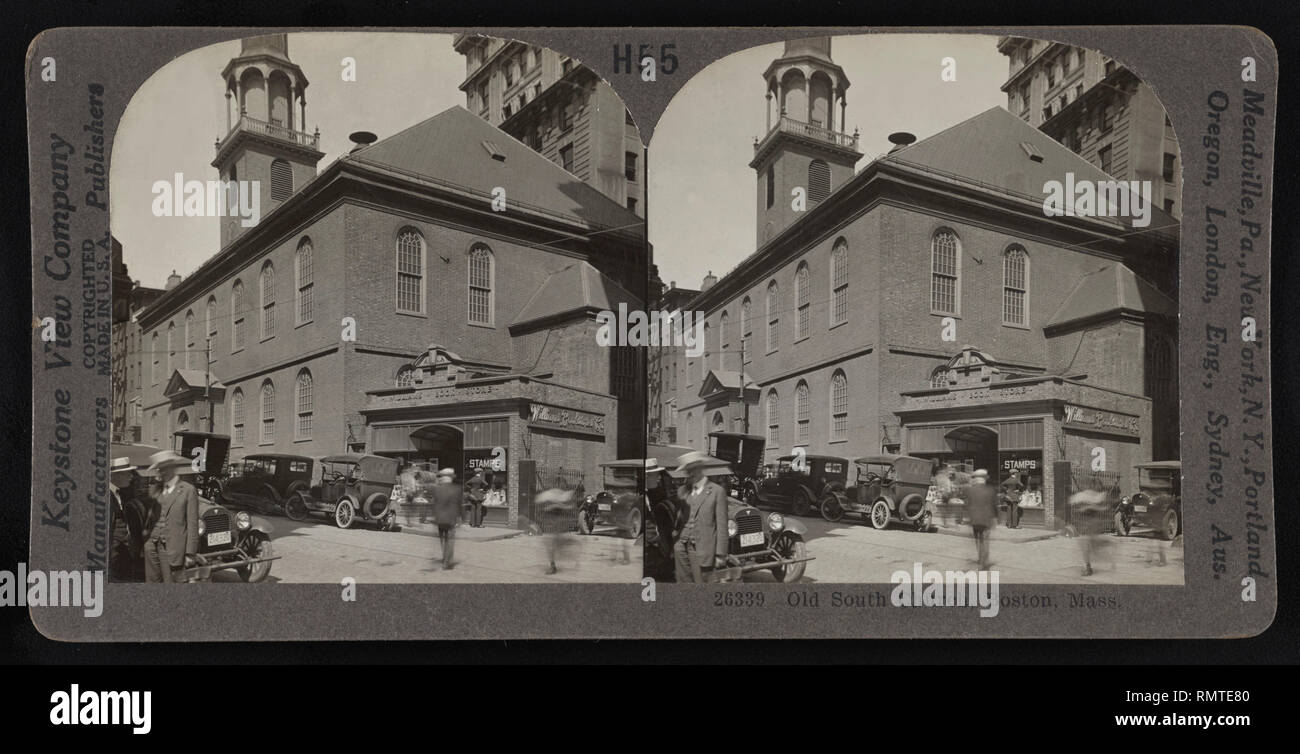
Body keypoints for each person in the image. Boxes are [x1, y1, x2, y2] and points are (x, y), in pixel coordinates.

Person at [142, 451, 200, 583]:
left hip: (172, 548)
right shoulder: (156, 490)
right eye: (159, 469)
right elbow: (150, 517)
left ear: (173, 467)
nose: (161, 472)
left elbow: (192, 524)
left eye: (164, 468)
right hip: (151, 546)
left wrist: (190, 553)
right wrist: (146, 540)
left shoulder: (188, 490)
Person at [673, 451, 729, 583]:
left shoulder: (717, 492)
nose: (689, 474)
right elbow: (679, 519)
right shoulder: (682, 491)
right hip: (680, 547)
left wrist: (721, 554)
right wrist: (675, 539)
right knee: (683, 585)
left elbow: (722, 526)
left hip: (702, 549)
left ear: (700, 468)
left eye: (691, 470)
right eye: (687, 471)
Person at [108, 457, 148, 582]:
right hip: (113, 556)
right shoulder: (106, 496)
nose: (131, 477)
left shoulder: (120, 494)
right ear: (116, 475)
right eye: (128, 473)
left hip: (123, 553)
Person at [965, 469, 998, 571]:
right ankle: (984, 562)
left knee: (978, 541)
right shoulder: (990, 489)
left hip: (975, 520)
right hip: (986, 519)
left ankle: (980, 559)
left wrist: (968, 518)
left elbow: (968, 505)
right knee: (985, 541)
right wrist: (995, 518)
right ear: (984, 479)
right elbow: (994, 505)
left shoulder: (970, 490)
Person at [429, 468, 462, 569]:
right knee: (450, 540)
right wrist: (461, 518)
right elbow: (459, 505)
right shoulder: (457, 489)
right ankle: (447, 561)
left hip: (440, 519)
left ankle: (445, 558)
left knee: (443, 540)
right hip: (451, 519)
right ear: (451, 478)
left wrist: (434, 517)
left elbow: (434, 504)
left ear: (443, 478)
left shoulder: (437, 489)